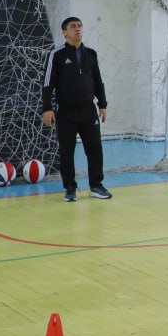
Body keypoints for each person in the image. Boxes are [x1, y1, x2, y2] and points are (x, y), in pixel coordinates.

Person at [41, 16, 110, 202]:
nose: (78, 29)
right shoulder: (56, 55)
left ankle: (96, 185)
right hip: (66, 112)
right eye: (73, 26)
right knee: (67, 151)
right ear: (65, 32)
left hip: (88, 111)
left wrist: (102, 104)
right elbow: (47, 84)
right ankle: (70, 187)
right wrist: (47, 108)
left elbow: (98, 81)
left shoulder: (91, 54)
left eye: (80, 26)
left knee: (95, 149)